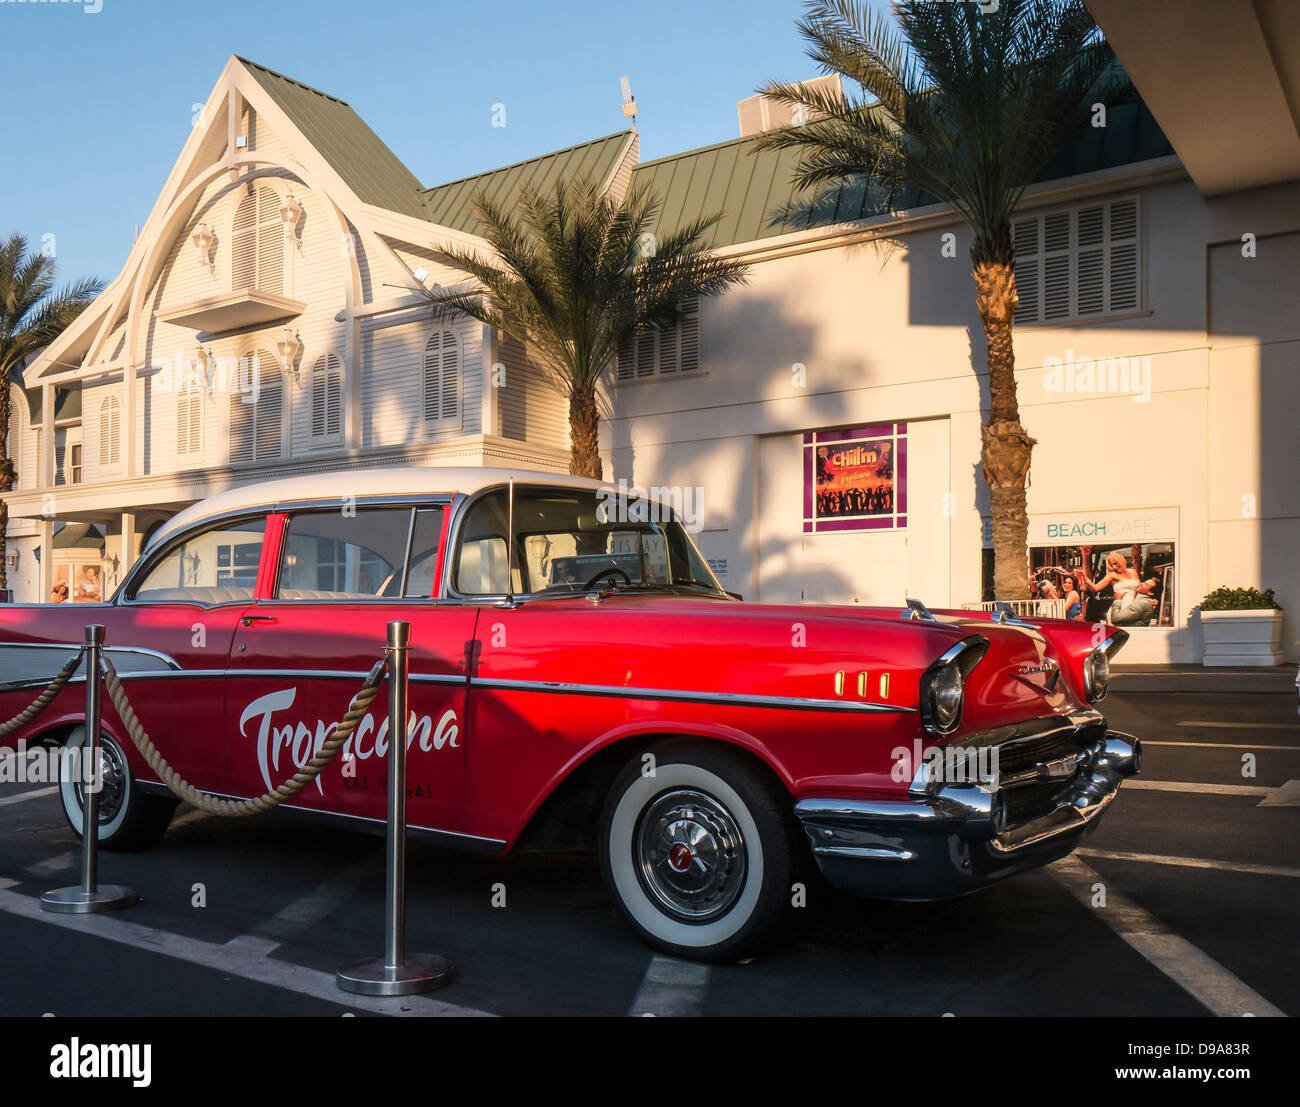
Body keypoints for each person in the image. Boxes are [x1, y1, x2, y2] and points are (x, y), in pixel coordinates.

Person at [1080, 551, 1157, 626]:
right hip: (1118, 609)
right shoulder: (1112, 575)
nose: (1114, 567)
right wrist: (1084, 576)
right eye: (1111, 565)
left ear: (1121, 561)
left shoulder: (1133, 571)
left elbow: (1140, 589)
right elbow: (1095, 588)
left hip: (1133, 608)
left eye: (1115, 563)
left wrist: (1150, 600)